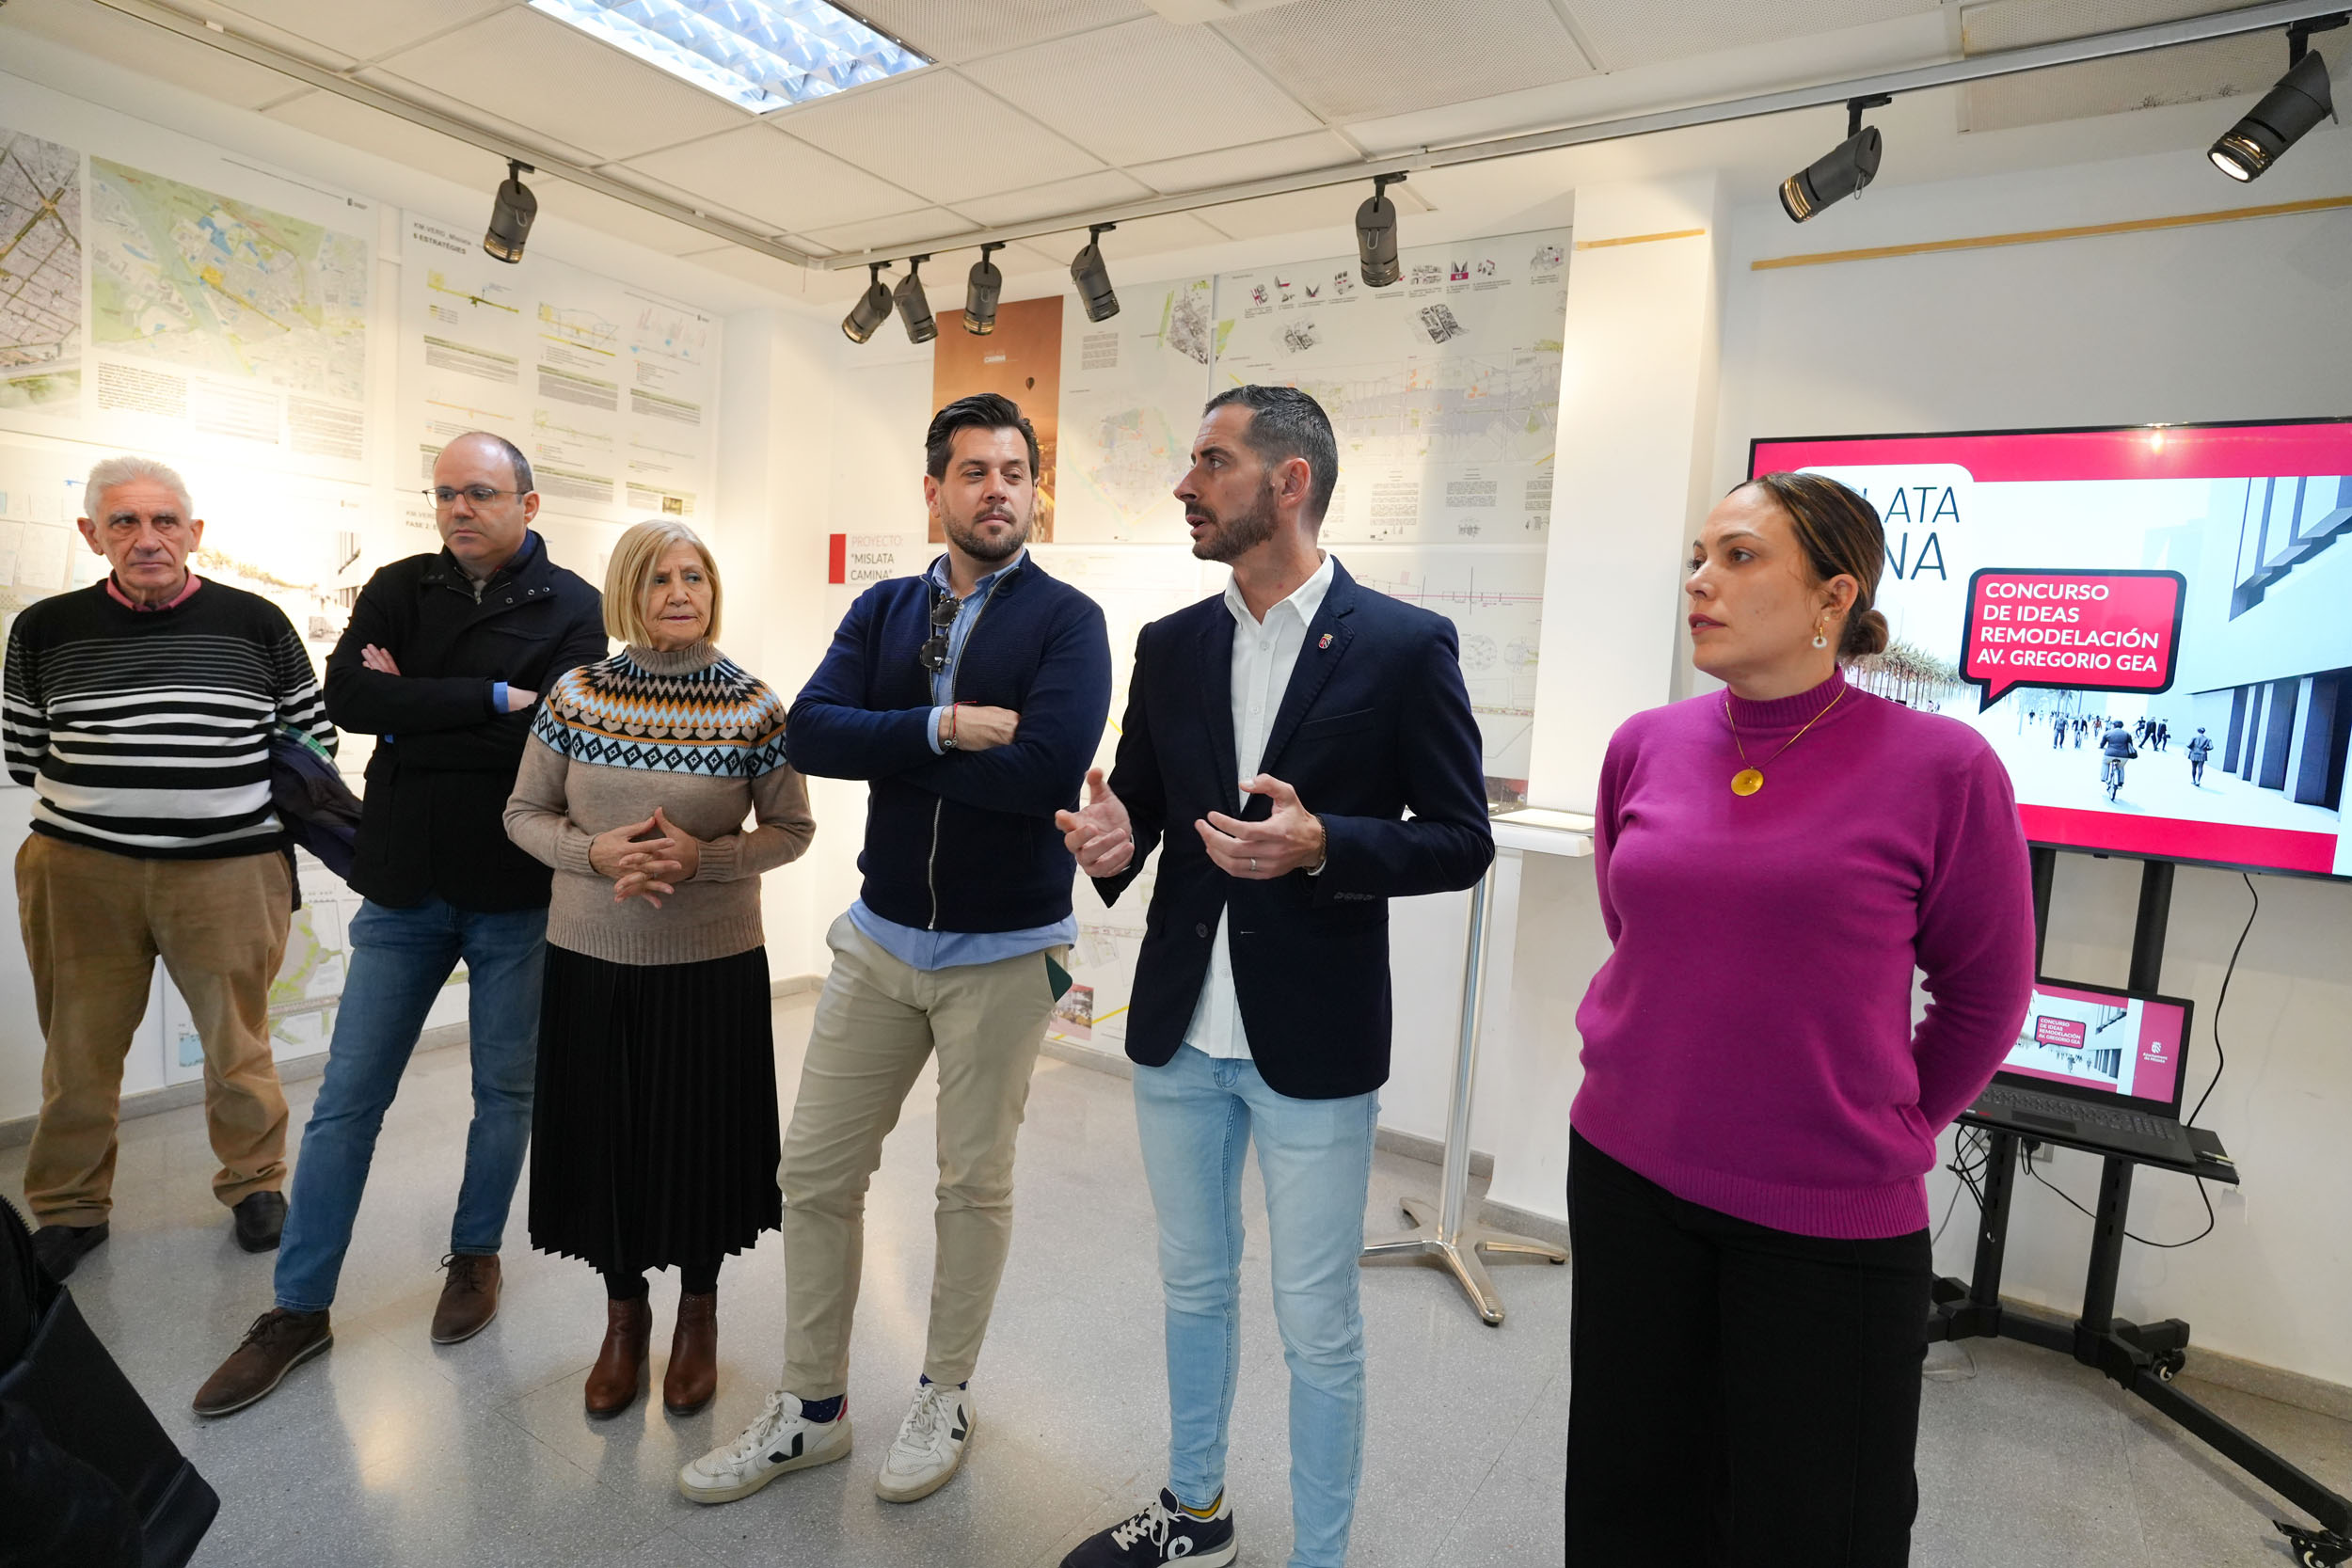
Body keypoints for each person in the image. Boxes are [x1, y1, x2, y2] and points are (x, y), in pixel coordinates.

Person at [1053, 387, 1494, 1568]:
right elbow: (1141, 807)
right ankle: (1196, 1516)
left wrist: (1324, 842)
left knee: (1317, 1319)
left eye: (1211, 460)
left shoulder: (1402, 644)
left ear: (1288, 481)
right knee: (1194, 1286)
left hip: (1313, 1036)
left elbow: (1461, 839)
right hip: (1179, 1030)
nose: (1184, 484)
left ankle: (1321, 1555)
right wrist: (1111, 840)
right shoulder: (1172, 643)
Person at [1564, 471, 2034, 1565]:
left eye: (1738, 556)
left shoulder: (1943, 767)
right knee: (1631, 1494)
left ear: (1833, 596)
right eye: (1697, 557)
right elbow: (1640, 934)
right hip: (1627, 1174)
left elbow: (1984, 993)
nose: (1700, 581)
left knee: (1819, 1521)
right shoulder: (1644, 743)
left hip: (1826, 1213)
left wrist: (1887, 1123)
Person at [679, 394, 1109, 1508]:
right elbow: (810, 730)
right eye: (974, 471)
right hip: (878, 941)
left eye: (1015, 472)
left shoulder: (1068, 621)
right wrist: (943, 725)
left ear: (1033, 491)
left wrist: (888, 746)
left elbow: (1044, 772)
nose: (998, 490)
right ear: (934, 490)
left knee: (972, 1183)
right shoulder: (882, 608)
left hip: (1006, 952)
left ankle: (944, 1392)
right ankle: (812, 1408)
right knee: (814, 1174)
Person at [192, 433, 606, 1418]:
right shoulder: (397, 585)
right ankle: (298, 1307)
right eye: (445, 492)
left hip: (515, 883)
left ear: (527, 504)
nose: (459, 508)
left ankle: (475, 1254)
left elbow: (560, 735)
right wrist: (491, 697)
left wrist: (414, 706)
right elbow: (349, 697)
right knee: (347, 1099)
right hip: (404, 881)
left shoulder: (574, 604)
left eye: (480, 492)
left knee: (504, 1091)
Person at [503, 520, 815, 1418]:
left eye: (695, 577)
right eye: (659, 578)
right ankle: (624, 1316)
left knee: (699, 1143)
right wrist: (593, 852)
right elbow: (523, 813)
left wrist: (702, 858)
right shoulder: (575, 696)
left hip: (710, 965)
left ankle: (699, 1314)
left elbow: (792, 831)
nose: (681, 593)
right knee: (607, 1142)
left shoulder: (754, 706)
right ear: (626, 592)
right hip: (591, 957)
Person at [4, 456, 334, 1279]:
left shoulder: (257, 622)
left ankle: (255, 1184)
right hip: (80, 873)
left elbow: (311, 736)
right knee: (77, 1048)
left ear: (194, 532)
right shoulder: (43, 628)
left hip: (229, 871)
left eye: (164, 521)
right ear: (92, 535)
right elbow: (22, 751)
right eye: (124, 521)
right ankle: (70, 1206)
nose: (146, 538)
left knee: (237, 1043)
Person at [2100, 718, 2136, 800]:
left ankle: (2104, 777)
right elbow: (2130, 745)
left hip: (2109, 755)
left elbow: (2102, 744)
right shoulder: (2127, 734)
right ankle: (2120, 782)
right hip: (2123, 756)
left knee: (2105, 763)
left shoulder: (2108, 733)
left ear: (2113, 725)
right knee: (2121, 767)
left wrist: (2101, 747)